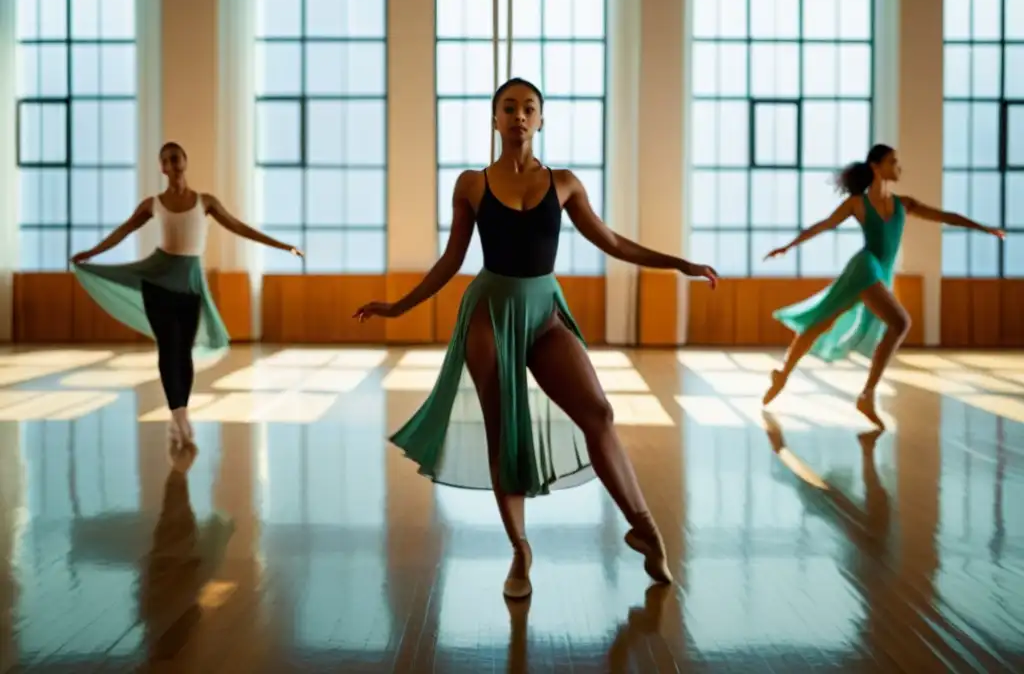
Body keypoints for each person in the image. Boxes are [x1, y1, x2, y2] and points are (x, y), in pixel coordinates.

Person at [354, 77, 718, 598]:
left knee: (599, 414)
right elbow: (451, 260)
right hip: (489, 314)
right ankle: (520, 551)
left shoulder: (564, 183)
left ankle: (645, 527)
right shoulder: (472, 185)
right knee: (505, 432)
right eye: (509, 108)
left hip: (545, 312)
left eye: (529, 108)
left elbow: (611, 240)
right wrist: (398, 306)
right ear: (495, 120)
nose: (519, 116)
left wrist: (677, 263)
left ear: (541, 120)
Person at [70, 142, 302, 444]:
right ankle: (177, 414)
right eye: (166, 159)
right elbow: (123, 231)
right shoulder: (152, 204)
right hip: (158, 283)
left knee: (184, 352)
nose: (173, 163)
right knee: (169, 349)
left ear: (185, 161)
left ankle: (182, 410)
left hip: (190, 285)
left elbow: (239, 228)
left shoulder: (205, 202)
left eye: (176, 157)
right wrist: (91, 253)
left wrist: (284, 246)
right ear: (162, 168)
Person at [761, 143, 1005, 427]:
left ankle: (784, 374)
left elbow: (944, 216)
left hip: (878, 275)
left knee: (822, 322)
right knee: (896, 322)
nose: (898, 167)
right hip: (865, 267)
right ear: (876, 167)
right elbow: (823, 225)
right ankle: (865, 394)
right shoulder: (857, 203)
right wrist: (788, 246)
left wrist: (983, 227)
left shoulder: (904, 204)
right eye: (893, 161)